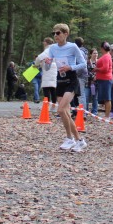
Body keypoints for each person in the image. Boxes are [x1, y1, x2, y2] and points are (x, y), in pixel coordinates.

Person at [46, 24, 88, 152]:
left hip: (71, 80)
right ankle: (79, 140)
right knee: (66, 113)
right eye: (54, 33)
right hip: (60, 80)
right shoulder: (53, 48)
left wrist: (70, 67)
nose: (55, 35)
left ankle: (69, 138)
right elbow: (48, 66)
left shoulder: (73, 46)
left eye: (58, 33)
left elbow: (83, 64)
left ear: (66, 34)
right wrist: (47, 63)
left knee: (60, 109)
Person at [35, 37, 58, 103]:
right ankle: (54, 104)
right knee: (53, 88)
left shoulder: (47, 50)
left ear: (46, 43)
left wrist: (37, 64)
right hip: (54, 70)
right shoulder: (55, 50)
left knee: (46, 87)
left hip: (47, 70)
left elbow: (39, 58)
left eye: (44, 42)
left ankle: (46, 104)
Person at [95, 42, 113, 117]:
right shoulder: (106, 55)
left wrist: (96, 69)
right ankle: (107, 115)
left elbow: (105, 69)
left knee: (107, 98)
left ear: (102, 48)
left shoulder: (106, 56)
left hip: (106, 79)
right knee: (106, 98)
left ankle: (107, 116)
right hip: (103, 79)